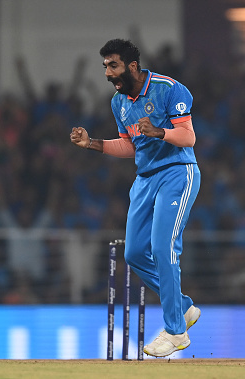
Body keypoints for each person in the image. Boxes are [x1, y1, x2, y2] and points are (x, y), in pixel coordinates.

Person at [70, 38, 201, 357]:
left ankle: (175, 332)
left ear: (131, 66)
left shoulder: (168, 88)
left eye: (112, 65)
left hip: (176, 172)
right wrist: (92, 144)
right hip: (145, 178)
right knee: (135, 252)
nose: (107, 73)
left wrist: (160, 131)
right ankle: (182, 307)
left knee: (161, 247)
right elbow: (131, 146)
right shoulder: (119, 102)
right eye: (104, 67)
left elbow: (188, 136)